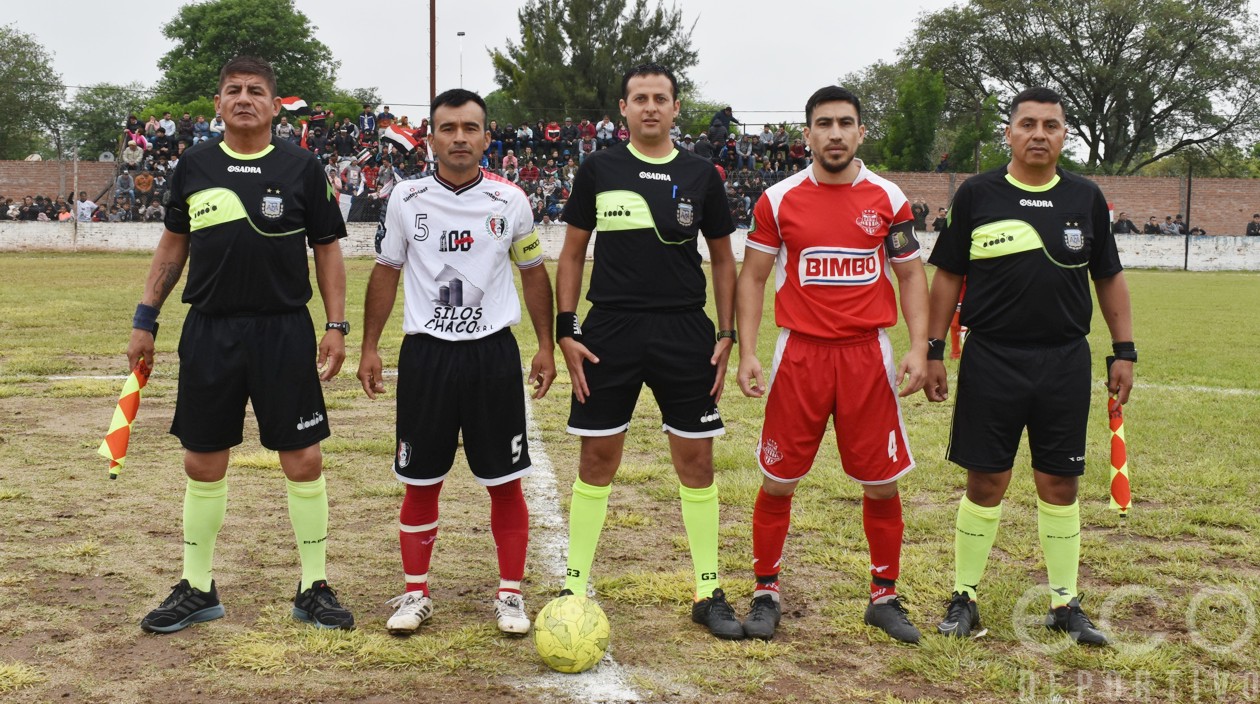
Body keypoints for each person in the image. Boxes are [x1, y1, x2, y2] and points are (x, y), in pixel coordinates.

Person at [125, 55, 354, 634]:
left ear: (275, 105)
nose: (244, 98)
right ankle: (197, 586)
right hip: (211, 329)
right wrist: (145, 317)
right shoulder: (194, 164)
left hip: (283, 330)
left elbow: (327, 247)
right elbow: (172, 245)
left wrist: (336, 324)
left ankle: (313, 585)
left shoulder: (303, 167)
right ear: (218, 104)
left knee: (304, 459)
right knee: (202, 459)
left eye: (255, 90)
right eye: (233, 90)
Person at [923, 87, 1134, 647]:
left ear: (1064, 135)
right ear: (1010, 132)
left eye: (1051, 125)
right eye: (1028, 124)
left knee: (1060, 481)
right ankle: (964, 597)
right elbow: (947, 275)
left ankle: (1065, 603)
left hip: (1064, 359)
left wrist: (1125, 350)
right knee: (986, 479)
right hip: (991, 356)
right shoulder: (978, 194)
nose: (1039, 134)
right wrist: (933, 349)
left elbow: (1108, 275)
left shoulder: (1086, 197)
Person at [358, 88, 556, 637]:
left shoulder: (510, 200)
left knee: (506, 482)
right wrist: (370, 346)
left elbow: (533, 272)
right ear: (431, 138)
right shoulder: (406, 198)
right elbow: (386, 270)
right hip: (427, 357)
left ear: (487, 137)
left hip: (492, 355)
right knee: (420, 480)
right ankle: (415, 592)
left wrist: (546, 344)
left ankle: (510, 595)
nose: (460, 138)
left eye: (471, 128)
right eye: (448, 128)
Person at [734, 86, 929, 644]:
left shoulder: (889, 197)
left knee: (881, 484)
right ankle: (766, 591)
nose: (835, 134)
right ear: (807, 135)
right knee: (778, 480)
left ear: (861, 132)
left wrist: (918, 347)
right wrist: (748, 352)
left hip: (867, 355)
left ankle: (884, 596)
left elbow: (911, 275)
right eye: (824, 124)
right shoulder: (778, 200)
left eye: (846, 123)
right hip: (800, 354)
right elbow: (752, 277)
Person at [555, 63, 742, 640]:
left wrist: (727, 333)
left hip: (685, 330)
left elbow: (723, 258)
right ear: (624, 108)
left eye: (661, 98)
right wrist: (567, 328)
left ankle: (708, 589)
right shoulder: (599, 168)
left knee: (697, 461)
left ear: (676, 107)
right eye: (640, 98)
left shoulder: (701, 173)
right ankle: (574, 586)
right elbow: (572, 252)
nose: (651, 107)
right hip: (609, 329)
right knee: (597, 458)